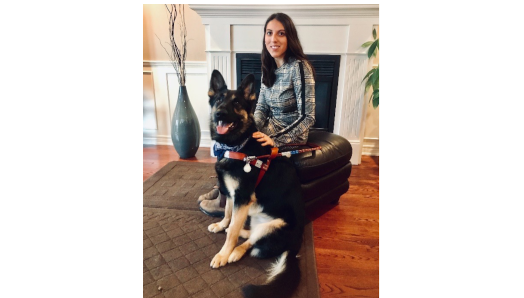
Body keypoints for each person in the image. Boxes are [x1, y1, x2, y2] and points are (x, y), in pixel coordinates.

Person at [199, 12, 316, 216]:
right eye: (269, 33)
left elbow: (308, 117)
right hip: (269, 128)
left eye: (281, 33)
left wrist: (274, 139)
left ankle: (225, 200)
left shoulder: (299, 67)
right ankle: (224, 188)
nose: (273, 39)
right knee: (230, 138)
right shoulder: (269, 68)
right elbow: (261, 107)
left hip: (292, 134)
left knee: (243, 146)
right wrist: (251, 129)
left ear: (290, 37)